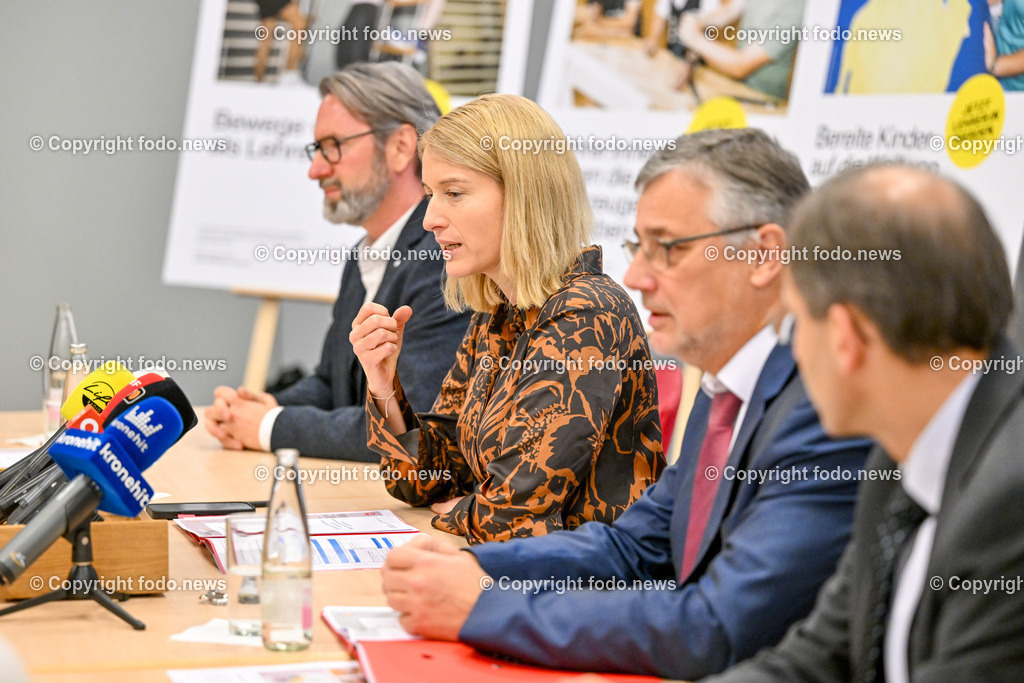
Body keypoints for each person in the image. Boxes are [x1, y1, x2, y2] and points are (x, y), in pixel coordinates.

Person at [376, 128, 872, 679]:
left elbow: (718, 627)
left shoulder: (824, 412)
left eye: (668, 249)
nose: (635, 276)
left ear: (763, 255)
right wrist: (476, 564)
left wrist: (484, 604)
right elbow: (634, 548)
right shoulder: (725, 392)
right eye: (640, 248)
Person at [704, 165, 1024, 681]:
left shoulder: (1010, 500)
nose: (794, 351)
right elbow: (811, 663)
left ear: (844, 336)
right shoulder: (900, 466)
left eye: (795, 324)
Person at [350, 94, 666, 544]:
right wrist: (384, 388)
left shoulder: (586, 315)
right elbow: (427, 481)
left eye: (454, 193)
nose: (431, 219)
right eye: (430, 195)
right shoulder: (497, 314)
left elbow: (511, 518)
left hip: (589, 596)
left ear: (523, 195)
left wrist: (470, 508)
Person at [204, 62, 471, 461]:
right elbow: (332, 384)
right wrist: (258, 406)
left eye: (334, 146)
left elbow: (410, 424)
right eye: (317, 149)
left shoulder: (443, 259)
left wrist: (268, 425)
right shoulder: (365, 255)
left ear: (400, 147)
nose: (316, 169)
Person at [678, 0, 805, 100]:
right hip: (737, 88)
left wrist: (696, 39)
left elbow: (741, 65)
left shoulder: (796, 6)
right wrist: (699, 21)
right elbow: (729, 10)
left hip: (764, 99)